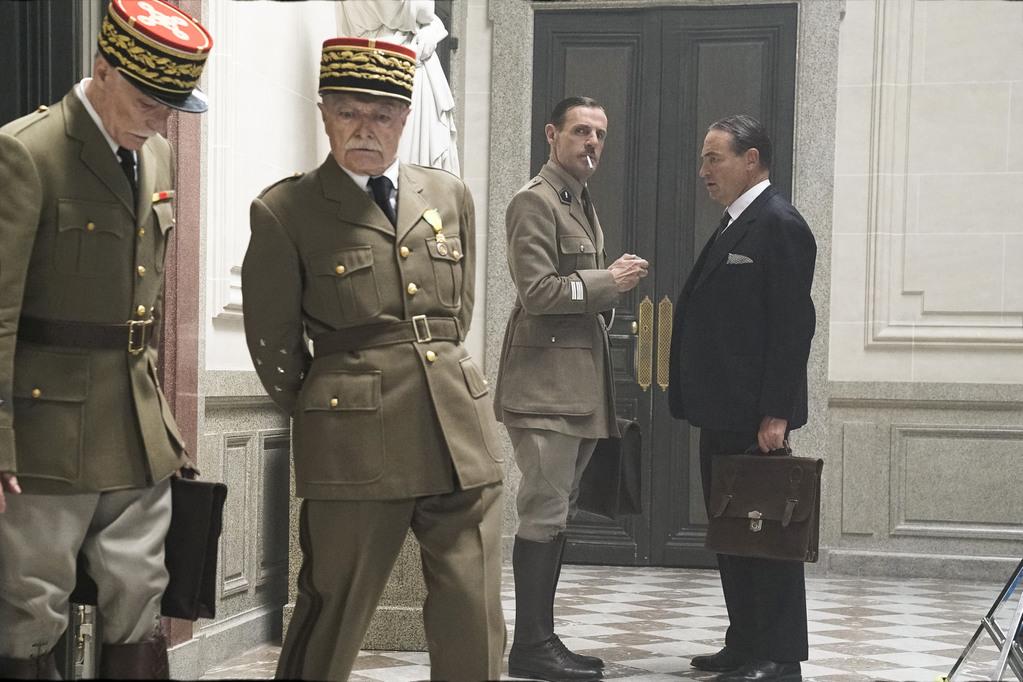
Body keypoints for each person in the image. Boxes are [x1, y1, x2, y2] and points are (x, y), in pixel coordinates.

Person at [241, 37, 505, 682]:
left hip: (457, 429)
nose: (366, 128)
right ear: (324, 114)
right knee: (335, 604)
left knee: (473, 607)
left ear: (404, 119)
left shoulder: (447, 194)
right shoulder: (287, 209)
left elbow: (457, 312)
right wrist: (331, 404)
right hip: (354, 439)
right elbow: (273, 341)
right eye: (349, 112)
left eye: (382, 114)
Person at [0, 0, 213, 678]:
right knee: (31, 605)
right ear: (102, 70)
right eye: (150, 103)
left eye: (172, 108)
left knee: (142, 596)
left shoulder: (156, 157)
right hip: (46, 430)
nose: (161, 121)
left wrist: (164, 426)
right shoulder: (27, 151)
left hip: (135, 426)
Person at [493, 96, 649, 681]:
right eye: (581, 131)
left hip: (575, 390)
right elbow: (537, 292)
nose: (592, 143)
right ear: (551, 135)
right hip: (544, 390)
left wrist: (601, 288)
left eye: (600, 135)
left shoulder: (577, 201)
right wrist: (608, 281)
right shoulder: (533, 202)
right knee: (543, 512)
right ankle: (531, 647)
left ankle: (543, 639)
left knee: (557, 514)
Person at [667, 114, 816, 682]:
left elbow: (793, 326)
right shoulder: (736, 221)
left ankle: (779, 656)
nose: (704, 169)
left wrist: (776, 411)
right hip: (722, 410)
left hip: (756, 416)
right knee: (733, 530)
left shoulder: (779, 222)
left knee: (767, 533)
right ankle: (745, 640)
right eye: (703, 158)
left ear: (751, 160)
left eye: (715, 158)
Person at [337, 0, 460, 173]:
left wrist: (431, 27)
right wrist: (430, 25)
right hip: (394, 70)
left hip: (381, 67)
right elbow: (424, 10)